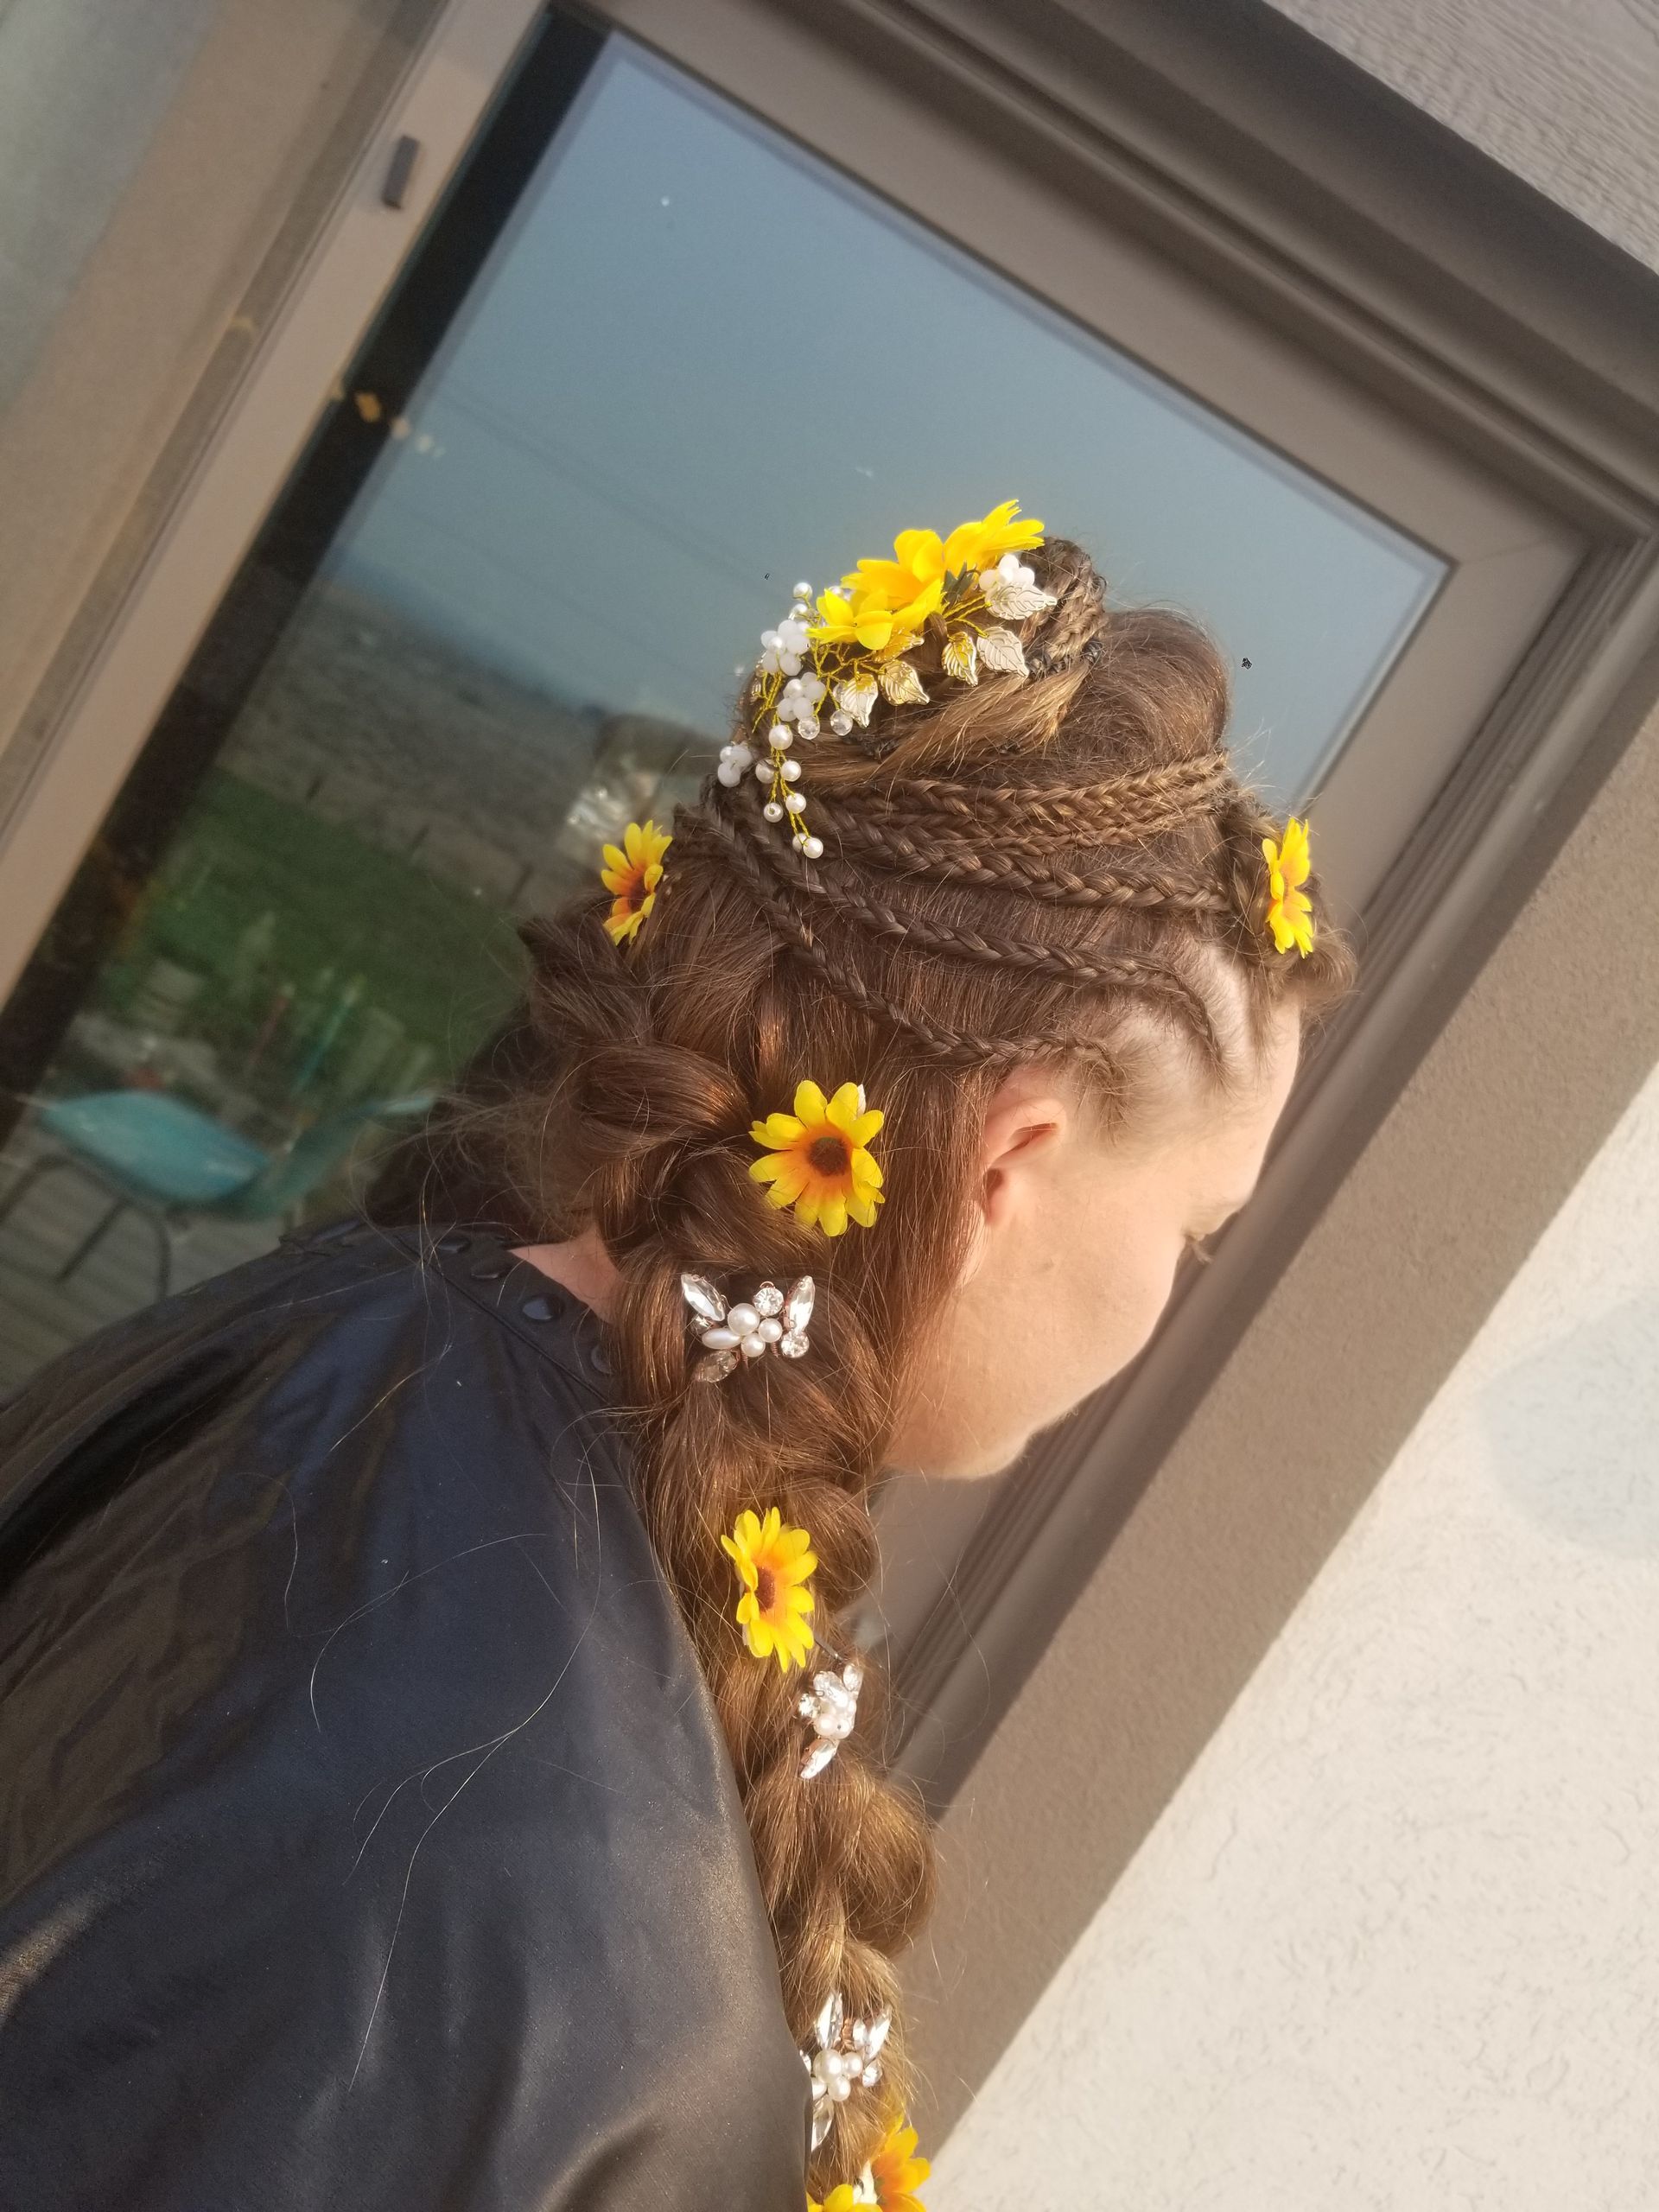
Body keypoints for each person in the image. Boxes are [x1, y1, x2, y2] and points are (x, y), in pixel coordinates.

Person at [0, 506, 1350, 2210]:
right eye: (1196, 1227)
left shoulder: (313, 1323)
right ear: (1013, 1161)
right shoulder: (590, 1909)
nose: (1173, 1293)